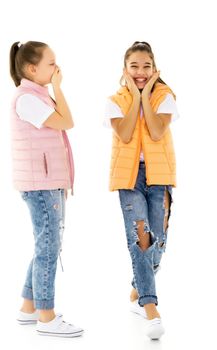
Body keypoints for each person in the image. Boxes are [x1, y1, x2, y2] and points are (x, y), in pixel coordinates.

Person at [104, 41, 179, 340]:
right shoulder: (114, 100)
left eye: (146, 66)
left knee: (158, 241)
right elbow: (123, 134)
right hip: (129, 178)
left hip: (160, 176)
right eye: (134, 66)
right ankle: (151, 309)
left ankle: (137, 290)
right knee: (141, 239)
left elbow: (157, 130)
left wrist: (146, 94)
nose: (140, 71)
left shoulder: (165, 96)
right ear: (124, 70)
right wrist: (134, 96)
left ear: (155, 69)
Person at [9, 41, 83, 338]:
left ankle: (29, 307)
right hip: (41, 184)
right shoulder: (27, 99)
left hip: (48, 182)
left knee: (47, 244)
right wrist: (59, 88)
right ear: (32, 68)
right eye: (51, 63)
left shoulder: (35, 96)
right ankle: (46, 316)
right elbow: (68, 122)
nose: (57, 68)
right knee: (48, 247)